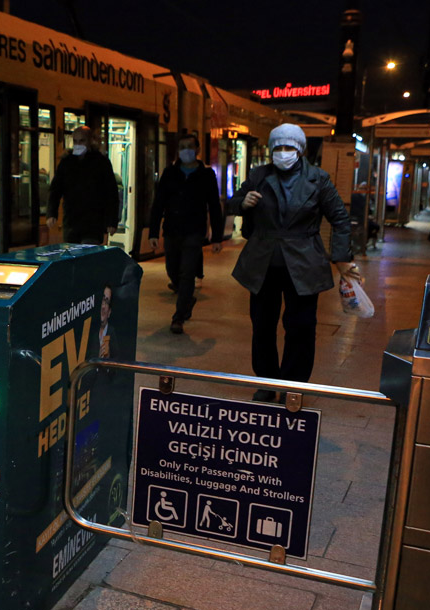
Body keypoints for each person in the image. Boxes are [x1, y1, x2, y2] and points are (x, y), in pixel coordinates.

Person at [228, 123, 361, 402]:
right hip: (263, 262)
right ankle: (266, 381)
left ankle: (294, 384)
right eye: (278, 147)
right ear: (271, 150)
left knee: (301, 327)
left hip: (304, 262)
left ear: (299, 150)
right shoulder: (258, 175)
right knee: (262, 325)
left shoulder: (318, 179)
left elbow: (339, 218)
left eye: (289, 147)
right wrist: (243, 202)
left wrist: (341, 258)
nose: (283, 152)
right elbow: (230, 203)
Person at [148, 133, 224, 334]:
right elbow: (158, 204)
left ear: (197, 150)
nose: (185, 150)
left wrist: (217, 236)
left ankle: (178, 317)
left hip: (194, 232)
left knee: (187, 273)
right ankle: (187, 298)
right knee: (173, 271)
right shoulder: (169, 173)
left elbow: (214, 206)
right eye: (182, 146)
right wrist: (153, 232)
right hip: (172, 230)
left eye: (189, 146)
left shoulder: (206, 175)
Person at [46, 126, 119, 244]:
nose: (78, 144)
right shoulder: (67, 162)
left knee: (87, 254)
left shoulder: (101, 162)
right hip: (71, 222)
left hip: (93, 223)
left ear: (90, 141)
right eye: (75, 141)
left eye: (82, 141)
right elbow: (55, 189)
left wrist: (111, 221)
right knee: (73, 255)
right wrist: (51, 213)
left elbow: (111, 192)